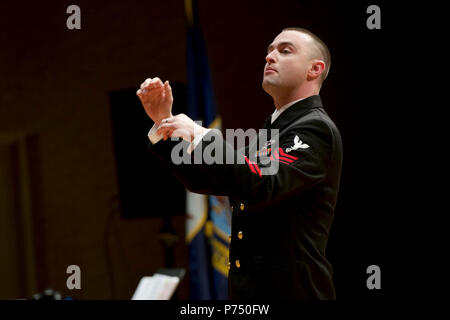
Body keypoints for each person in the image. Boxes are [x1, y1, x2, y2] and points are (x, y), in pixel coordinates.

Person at [136, 27, 343, 299]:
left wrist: (200, 134)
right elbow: (207, 178)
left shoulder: (315, 128)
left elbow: (261, 184)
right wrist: (164, 122)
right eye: (269, 51)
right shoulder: (272, 132)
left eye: (284, 50)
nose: (270, 57)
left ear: (314, 69)